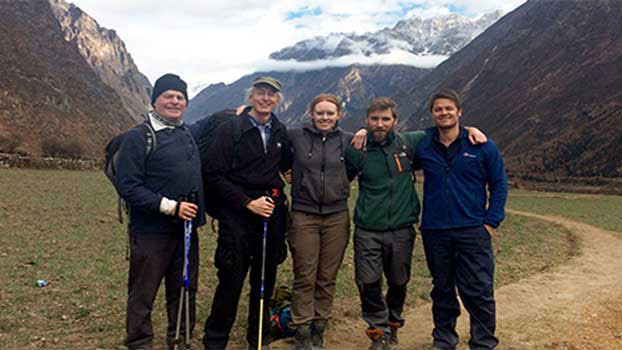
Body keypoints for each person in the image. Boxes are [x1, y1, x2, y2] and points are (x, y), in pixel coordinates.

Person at [346, 97, 486, 350]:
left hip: (402, 228)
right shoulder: (357, 149)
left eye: (385, 119)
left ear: (395, 121)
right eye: (374, 119)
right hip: (367, 228)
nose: (380, 124)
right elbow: (340, 172)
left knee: (399, 281)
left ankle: (393, 322)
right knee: (367, 282)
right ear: (366, 121)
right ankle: (378, 331)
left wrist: (469, 130)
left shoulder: (409, 142)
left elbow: (444, 127)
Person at [116, 73, 206, 350]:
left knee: (184, 288)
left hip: (186, 228)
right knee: (143, 291)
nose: (175, 101)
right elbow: (128, 187)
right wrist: (171, 207)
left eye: (180, 97)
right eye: (168, 96)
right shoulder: (138, 137)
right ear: (154, 100)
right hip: (150, 231)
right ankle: (140, 343)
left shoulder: (186, 134)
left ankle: (180, 340)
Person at [201, 77, 292, 350]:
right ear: (251, 97)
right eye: (261, 93)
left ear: (278, 99)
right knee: (230, 279)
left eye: (271, 95)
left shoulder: (280, 131)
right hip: (237, 216)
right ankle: (215, 342)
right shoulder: (231, 130)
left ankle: (258, 340)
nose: (266, 98)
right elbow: (213, 174)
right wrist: (247, 203)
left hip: (271, 216)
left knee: (264, 281)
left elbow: (287, 165)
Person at [414, 89, 508, 350]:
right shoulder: (423, 145)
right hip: (435, 230)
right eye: (438, 109)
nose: (443, 113)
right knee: (442, 288)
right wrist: (364, 133)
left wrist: (491, 222)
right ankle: (444, 340)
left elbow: (499, 183)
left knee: (478, 290)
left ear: (459, 112)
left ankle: (483, 343)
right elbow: (388, 143)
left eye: (448, 108)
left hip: (472, 230)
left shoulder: (482, 145)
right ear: (432, 114)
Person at [287, 94, 354, 350]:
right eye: (320, 113)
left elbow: (355, 167)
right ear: (311, 115)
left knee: (327, 276)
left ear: (338, 115)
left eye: (330, 113)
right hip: (304, 214)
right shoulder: (295, 137)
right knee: (304, 273)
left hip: (337, 216)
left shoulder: (347, 140)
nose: (324, 118)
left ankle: (319, 327)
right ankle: (301, 329)